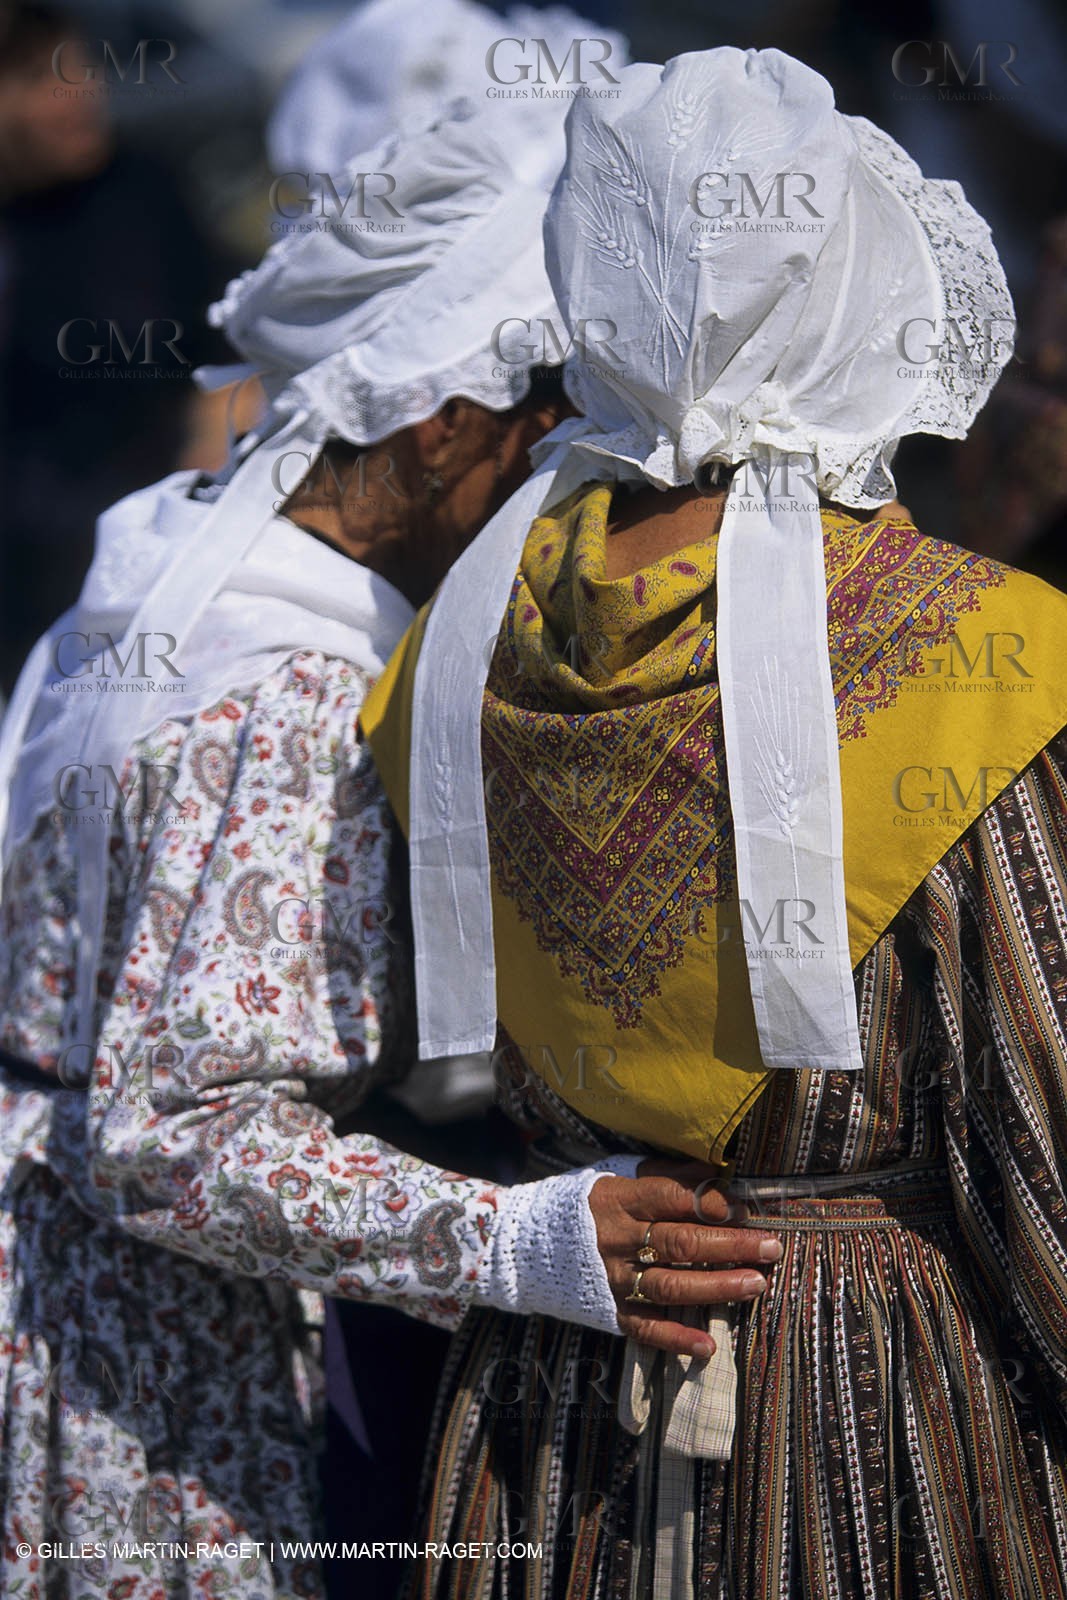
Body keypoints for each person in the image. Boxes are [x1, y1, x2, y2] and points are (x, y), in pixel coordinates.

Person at [0, 108, 776, 1600]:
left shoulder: (165, 552)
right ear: (438, 428)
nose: (564, 465)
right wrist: (524, 1241)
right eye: (538, 416)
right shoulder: (289, 695)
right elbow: (175, 1138)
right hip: (140, 1349)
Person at [362, 48, 1067, 1600]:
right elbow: (1044, 1135)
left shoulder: (452, 646)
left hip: (556, 1384)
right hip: (868, 1400)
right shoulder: (975, 658)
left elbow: (408, 1053)